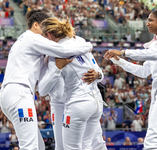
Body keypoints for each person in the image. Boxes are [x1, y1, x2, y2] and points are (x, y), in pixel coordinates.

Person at [0, 10, 92, 150]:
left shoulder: (26, 42)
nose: (46, 32)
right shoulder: (32, 37)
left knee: (39, 146)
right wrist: (87, 46)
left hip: (11, 94)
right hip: (19, 93)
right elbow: (62, 51)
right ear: (36, 25)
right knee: (30, 147)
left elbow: (44, 82)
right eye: (44, 27)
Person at [104, 8, 157, 150]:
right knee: (150, 141)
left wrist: (123, 52)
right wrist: (119, 61)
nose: (147, 23)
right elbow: (143, 71)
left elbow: (153, 54)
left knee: (154, 140)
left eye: (151, 20)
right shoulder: (155, 43)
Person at [38, 18, 106, 150]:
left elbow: (53, 93)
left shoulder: (55, 52)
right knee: (89, 145)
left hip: (76, 103)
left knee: (67, 147)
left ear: (49, 35)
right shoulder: (80, 42)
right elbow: (98, 71)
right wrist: (98, 75)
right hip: (95, 101)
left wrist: (56, 70)